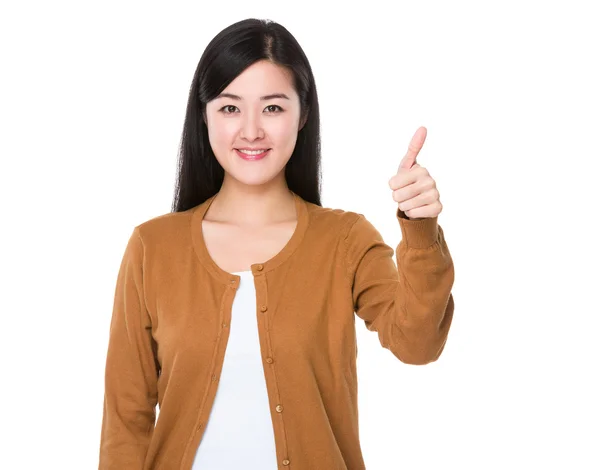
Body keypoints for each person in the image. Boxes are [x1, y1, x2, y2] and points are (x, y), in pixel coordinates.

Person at [98, 18, 455, 470]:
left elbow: (418, 343)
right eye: (230, 108)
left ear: (302, 114)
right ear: (203, 114)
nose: (251, 131)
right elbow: (125, 420)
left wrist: (420, 229)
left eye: (272, 108)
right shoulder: (152, 248)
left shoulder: (345, 240)